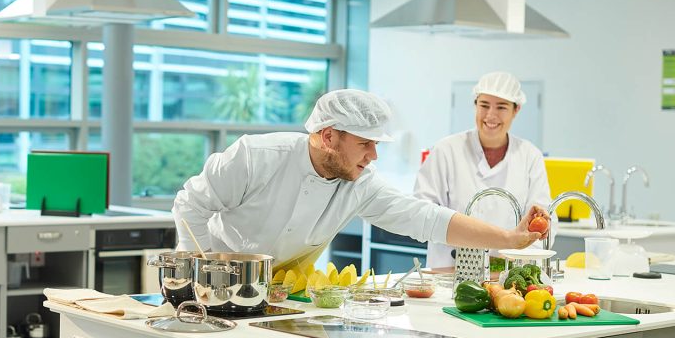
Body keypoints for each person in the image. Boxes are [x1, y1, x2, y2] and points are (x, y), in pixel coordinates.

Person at [172, 89, 549, 274]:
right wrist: (204, 275)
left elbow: (428, 218)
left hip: (275, 294)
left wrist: (508, 239)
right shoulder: (256, 157)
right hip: (212, 286)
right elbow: (191, 204)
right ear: (328, 137)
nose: (374, 155)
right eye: (364, 143)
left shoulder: (360, 184)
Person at [414, 72, 552, 268]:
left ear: (516, 110)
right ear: (475, 105)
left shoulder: (530, 156)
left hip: (508, 278)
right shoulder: (446, 150)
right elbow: (423, 214)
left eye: (501, 107)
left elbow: (540, 223)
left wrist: (523, 267)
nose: (491, 115)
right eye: (484, 105)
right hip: (448, 272)